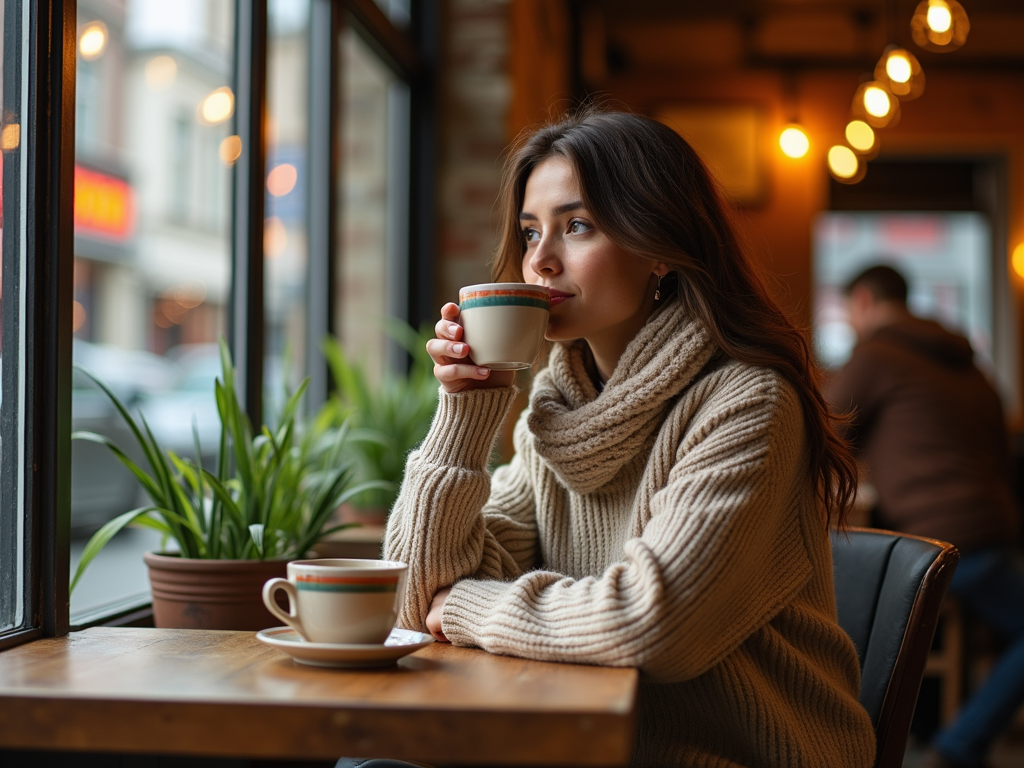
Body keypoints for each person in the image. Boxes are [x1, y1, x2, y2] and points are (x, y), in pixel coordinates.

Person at [379, 110, 876, 768]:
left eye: (576, 226)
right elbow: (414, 597)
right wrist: (466, 409)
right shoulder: (555, 418)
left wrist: (468, 607)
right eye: (531, 232)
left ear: (660, 246)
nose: (540, 260)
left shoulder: (749, 404)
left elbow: (653, 624)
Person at [826, 264, 1024, 768]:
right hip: (996, 530)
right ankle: (943, 730)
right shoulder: (969, 362)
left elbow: (822, 434)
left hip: (936, 546)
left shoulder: (876, 356)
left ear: (864, 301)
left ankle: (955, 748)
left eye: (849, 312)